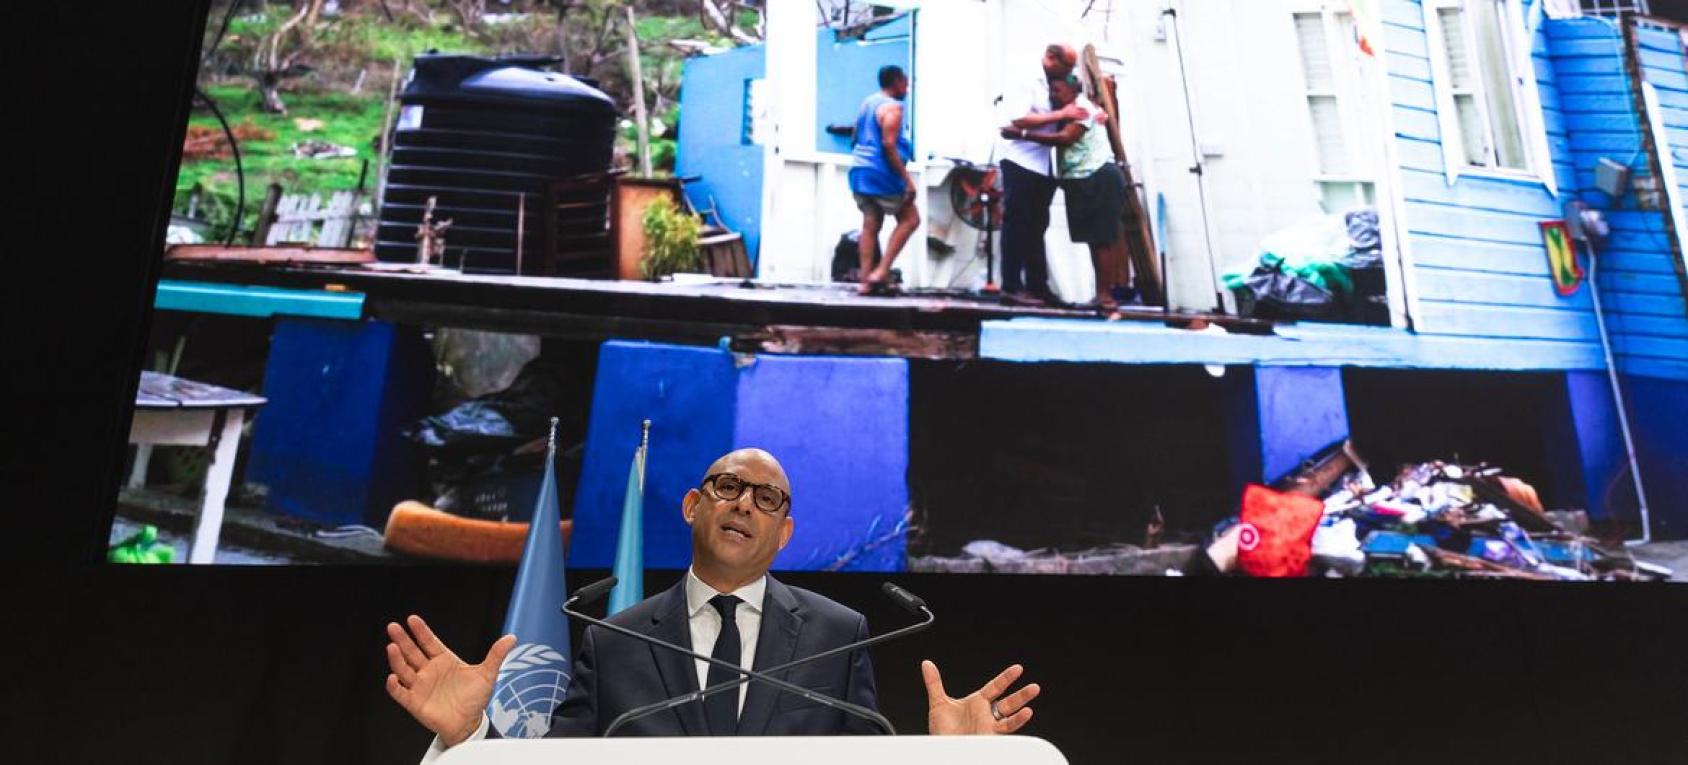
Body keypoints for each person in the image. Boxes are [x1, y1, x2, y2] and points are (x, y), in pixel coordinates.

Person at [386, 448, 1040, 756]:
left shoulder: (842, 633)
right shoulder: (615, 638)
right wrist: (471, 732)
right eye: (728, 484)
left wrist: (956, 757)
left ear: (785, 533)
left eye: (768, 497)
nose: (745, 502)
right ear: (693, 505)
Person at [1002, 74, 1130, 312]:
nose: (1053, 96)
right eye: (1051, 90)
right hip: (1083, 177)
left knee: (1102, 238)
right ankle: (1101, 295)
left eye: (1057, 90)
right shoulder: (1076, 108)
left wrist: (1020, 135)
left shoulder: (1080, 108)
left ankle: (1105, 296)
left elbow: (1065, 138)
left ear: (1073, 91)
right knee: (1094, 237)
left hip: (1097, 175)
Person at [996, 44, 1095, 307]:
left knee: (1038, 225)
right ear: (1051, 58)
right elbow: (1017, 118)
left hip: (1042, 163)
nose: (1068, 72)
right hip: (1020, 159)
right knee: (1016, 222)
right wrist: (1061, 114)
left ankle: (1038, 286)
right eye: (1066, 67)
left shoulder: (1052, 81)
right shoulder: (1026, 79)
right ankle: (1011, 286)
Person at [847, 65, 920, 296]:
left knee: (871, 222)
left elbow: (854, 134)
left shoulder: (867, 103)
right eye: (905, 83)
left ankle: (866, 282)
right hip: (881, 171)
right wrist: (907, 180)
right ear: (896, 82)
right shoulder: (893, 109)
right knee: (910, 219)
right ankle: (881, 271)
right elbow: (889, 145)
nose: (907, 89)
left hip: (859, 170)